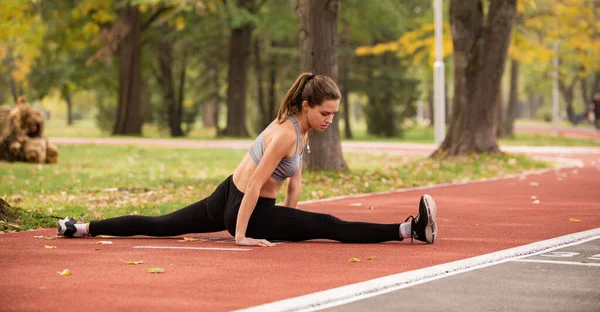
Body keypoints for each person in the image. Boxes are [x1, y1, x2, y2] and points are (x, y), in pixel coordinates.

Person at [58, 73, 437, 246]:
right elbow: (257, 183)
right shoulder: (287, 133)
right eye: (326, 113)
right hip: (246, 208)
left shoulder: (297, 125)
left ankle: (81, 228)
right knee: (329, 224)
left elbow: (295, 181)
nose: (330, 120)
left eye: (334, 114)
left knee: (161, 224)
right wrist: (240, 236)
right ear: (307, 106)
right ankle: (408, 231)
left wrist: (291, 223)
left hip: (227, 196)